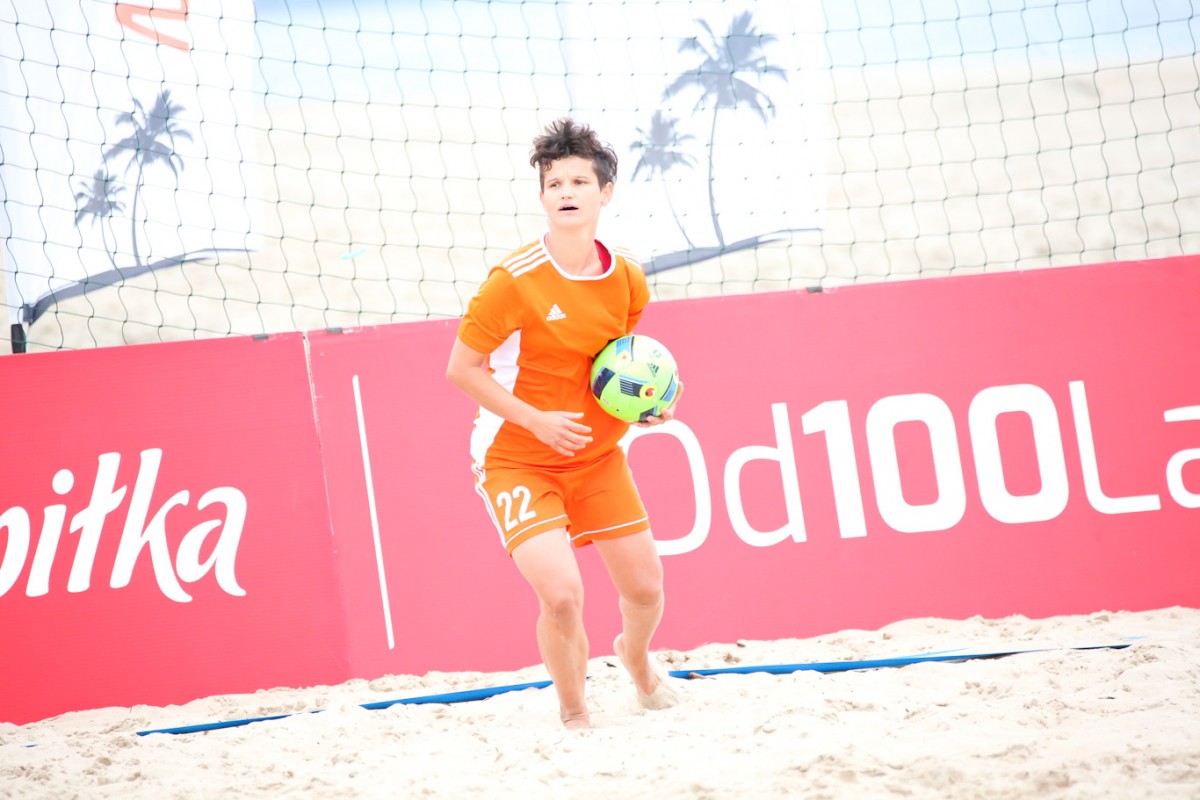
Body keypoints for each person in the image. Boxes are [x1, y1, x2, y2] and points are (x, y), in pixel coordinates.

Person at [445, 117, 682, 729]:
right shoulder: (512, 282)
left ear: (606, 193)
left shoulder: (625, 277)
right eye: (555, 183)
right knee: (562, 597)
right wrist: (537, 422)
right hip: (517, 458)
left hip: (597, 457)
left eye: (579, 181)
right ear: (543, 196)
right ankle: (575, 713)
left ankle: (635, 658)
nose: (567, 192)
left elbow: (615, 364)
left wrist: (646, 405)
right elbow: (461, 370)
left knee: (646, 590)